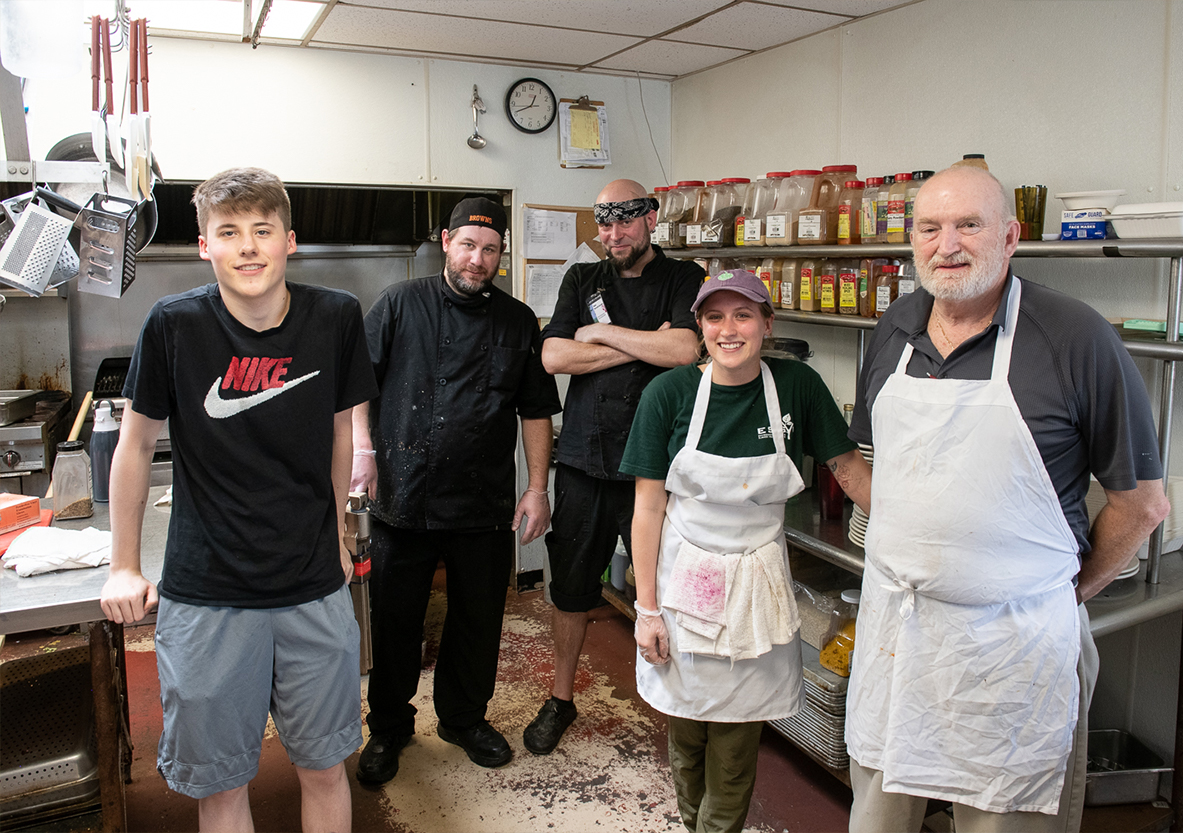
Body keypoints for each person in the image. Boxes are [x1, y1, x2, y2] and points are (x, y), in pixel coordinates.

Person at [844, 166, 1171, 832]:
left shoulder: (1076, 337)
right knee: (876, 816)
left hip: (1010, 655)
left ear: (1011, 236)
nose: (948, 244)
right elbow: (892, 467)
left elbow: (1142, 505)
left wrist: (1059, 591)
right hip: (897, 640)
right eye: (930, 228)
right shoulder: (895, 327)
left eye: (969, 224)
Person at [99, 167, 376, 833]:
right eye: (229, 232)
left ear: (290, 242)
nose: (248, 246)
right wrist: (123, 563)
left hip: (311, 586)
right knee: (221, 783)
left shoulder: (334, 317)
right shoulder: (174, 325)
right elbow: (133, 446)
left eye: (262, 230)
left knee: (325, 767)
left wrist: (338, 534)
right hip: (207, 592)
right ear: (205, 247)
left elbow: (340, 431)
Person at [619, 269, 872, 833]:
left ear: (767, 323)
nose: (728, 330)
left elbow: (850, 471)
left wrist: (918, 538)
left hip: (757, 580)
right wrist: (648, 610)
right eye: (715, 317)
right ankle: (695, 824)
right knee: (685, 724)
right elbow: (648, 509)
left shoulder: (798, 387)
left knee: (735, 738)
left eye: (743, 316)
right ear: (700, 326)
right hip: (685, 579)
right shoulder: (669, 394)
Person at [352, 197, 560, 781]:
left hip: (483, 503)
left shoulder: (519, 321)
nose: (478, 259)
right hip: (404, 500)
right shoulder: (399, 304)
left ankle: (463, 718)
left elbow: (536, 411)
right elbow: (357, 388)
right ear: (446, 242)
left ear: (501, 256)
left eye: (490, 250)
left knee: (477, 621)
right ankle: (389, 728)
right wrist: (362, 452)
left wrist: (537, 487)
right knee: (396, 624)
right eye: (468, 245)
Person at [524, 179, 704, 755]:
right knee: (572, 590)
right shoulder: (583, 278)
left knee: (666, 592)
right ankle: (560, 698)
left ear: (650, 218)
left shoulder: (684, 278)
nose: (613, 234)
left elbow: (684, 350)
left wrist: (598, 334)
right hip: (582, 460)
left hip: (657, 468)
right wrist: (641, 342)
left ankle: (681, 708)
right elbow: (553, 355)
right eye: (604, 224)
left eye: (624, 222)